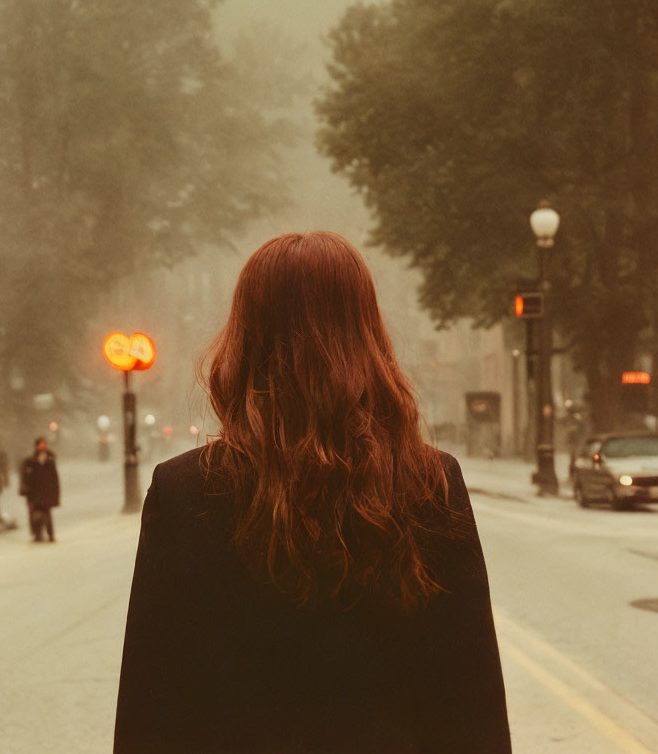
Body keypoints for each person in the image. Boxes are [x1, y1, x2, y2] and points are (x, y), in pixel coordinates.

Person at [114, 232, 511, 753]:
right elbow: (470, 698)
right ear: (367, 335)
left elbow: (152, 706)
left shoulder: (185, 489)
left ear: (245, 338)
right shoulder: (427, 482)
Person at [20, 437, 60, 542]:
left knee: (47, 515)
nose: (42, 448)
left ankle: (50, 534)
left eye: (43, 445)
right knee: (34, 515)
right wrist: (24, 489)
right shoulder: (30, 461)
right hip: (33, 493)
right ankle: (37, 535)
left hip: (46, 493)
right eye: (40, 445)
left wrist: (55, 495)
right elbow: (25, 477)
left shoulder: (50, 462)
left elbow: (54, 479)